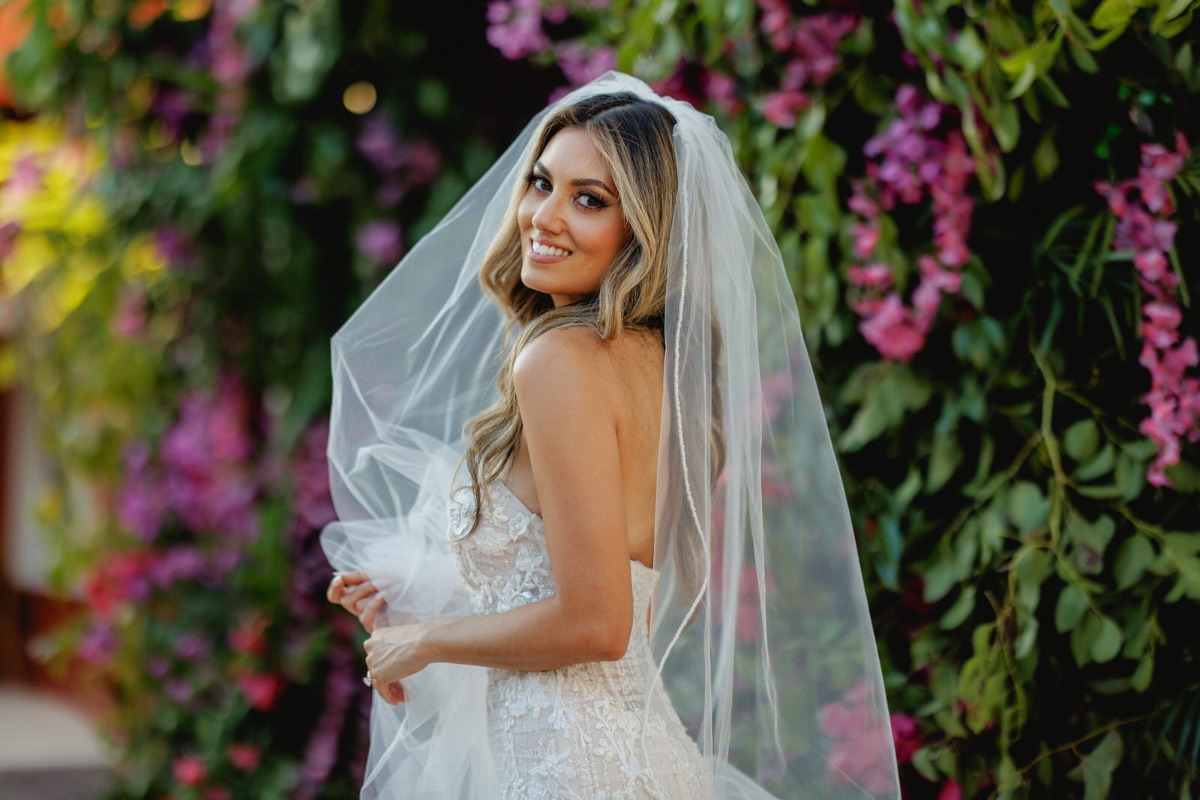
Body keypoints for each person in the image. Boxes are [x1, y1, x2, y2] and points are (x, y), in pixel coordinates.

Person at [322, 72, 900, 799]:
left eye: (589, 200)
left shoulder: (559, 360)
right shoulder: (653, 363)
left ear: (643, 232)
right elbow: (579, 577)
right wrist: (418, 603)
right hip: (631, 756)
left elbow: (596, 622)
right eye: (542, 183)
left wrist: (423, 641)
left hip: (570, 771)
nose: (544, 216)